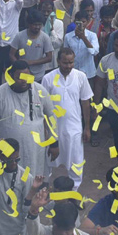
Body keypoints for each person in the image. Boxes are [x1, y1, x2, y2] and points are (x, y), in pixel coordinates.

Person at [0, 58, 60, 182]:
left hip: (34, 151)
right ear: (11, 76)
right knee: (8, 183)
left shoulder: (40, 91)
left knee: (33, 182)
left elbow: (51, 118)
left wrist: (54, 144)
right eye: (20, 77)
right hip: (8, 154)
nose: (24, 81)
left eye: (27, 76)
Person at [44, 46, 93, 187]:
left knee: (76, 162)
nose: (68, 66)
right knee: (47, 162)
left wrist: (87, 128)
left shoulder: (80, 77)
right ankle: (44, 191)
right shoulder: (48, 78)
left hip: (74, 129)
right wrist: (46, 132)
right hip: (54, 130)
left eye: (71, 62)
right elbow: (44, 107)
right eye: (65, 62)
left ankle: (74, 193)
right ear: (58, 61)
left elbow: (85, 102)